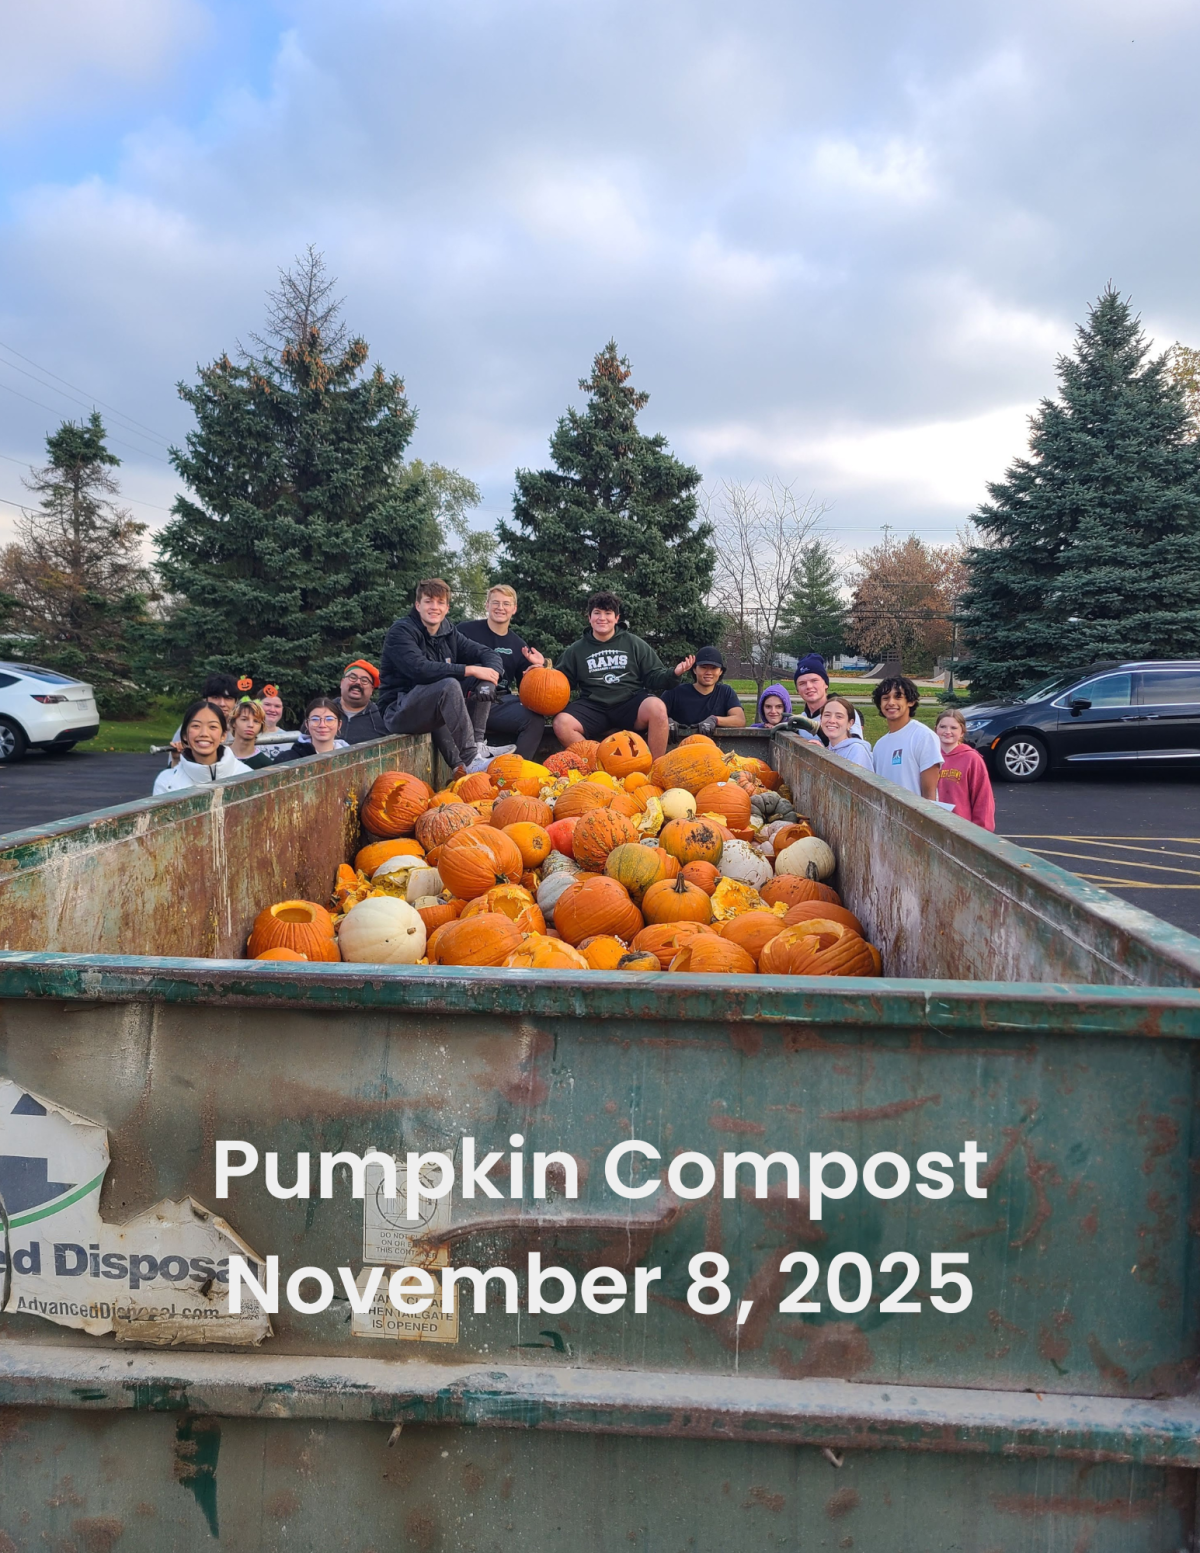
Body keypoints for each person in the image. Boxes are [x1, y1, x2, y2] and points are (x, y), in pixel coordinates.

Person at [377, 578, 515, 775]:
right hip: (398, 710)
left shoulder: (448, 632)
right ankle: (470, 758)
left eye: (440, 602)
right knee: (450, 683)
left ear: (447, 607)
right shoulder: (401, 631)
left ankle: (477, 746)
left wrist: (489, 681)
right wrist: (468, 670)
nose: (435, 607)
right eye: (428, 601)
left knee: (481, 676)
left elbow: (488, 653)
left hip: (430, 707)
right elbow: (420, 669)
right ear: (418, 605)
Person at [552, 592, 693, 759]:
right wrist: (542, 670)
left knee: (658, 708)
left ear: (616, 618)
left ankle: (654, 770)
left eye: (608, 613)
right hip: (593, 706)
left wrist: (673, 673)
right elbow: (558, 683)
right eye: (597, 613)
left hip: (629, 703)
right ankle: (598, 765)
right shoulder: (576, 650)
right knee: (562, 723)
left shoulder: (633, 643)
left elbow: (653, 676)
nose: (602, 618)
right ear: (589, 618)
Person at [457, 585, 547, 758]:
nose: (500, 608)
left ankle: (513, 770)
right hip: (469, 699)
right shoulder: (465, 631)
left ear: (514, 609)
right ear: (487, 605)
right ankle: (476, 748)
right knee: (484, 679)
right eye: (495, 603)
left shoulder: (518, 645)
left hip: (498, 704)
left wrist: (538, 670)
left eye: (506, 604)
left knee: (535, 720)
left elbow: (530, 691)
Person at [153, 701, 252, 794]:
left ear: (223, 736)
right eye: (196, 726)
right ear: (184, 735)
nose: (204, 733)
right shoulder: (166, 782)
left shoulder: (246, 776)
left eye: (212, 727)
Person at [871, 676, 943, 799]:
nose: (891, 703)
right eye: (885, 698)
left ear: (910, 701)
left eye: (898, 697)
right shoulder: (879, 745)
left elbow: (930, 795)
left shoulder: (923, 737)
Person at [662, 647, 746, 735]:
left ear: (720, 671)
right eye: (703, 667)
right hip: (678, 746)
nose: (708, 672)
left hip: (714, 747)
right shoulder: (675, 692)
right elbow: (655, 714)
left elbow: (740, 720)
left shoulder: (726, 692)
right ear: (694, 669)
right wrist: (665, 721)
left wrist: (715, 720)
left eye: (714, 668)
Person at [935, 708, 996, 830]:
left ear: (962, 732)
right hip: (933, 826)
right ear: (936, 729)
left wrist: (981, 830)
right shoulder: (928, 756)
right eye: (943, 727)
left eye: (953, 728)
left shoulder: (971, 759)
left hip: (961, 828)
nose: (947, 731)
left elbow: (983, 797)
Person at [794, 653, 864, 737]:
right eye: (802, 683)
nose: (809, 686)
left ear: (826, 684)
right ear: (797, 689)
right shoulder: (802, 720)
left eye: (814, 680)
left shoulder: (845, 713)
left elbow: (853, 746)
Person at [273, 697, 351, 763]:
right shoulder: (288, 759)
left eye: (329, 719)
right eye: (315, 719)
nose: (322, 725)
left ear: (339, 724)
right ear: (307, 724)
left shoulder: (350, 758)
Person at [336, 659, 389, 745]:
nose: (358, 682)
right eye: (352, 677)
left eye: (364, 680)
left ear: (371, 689)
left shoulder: (382, 718)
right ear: (342, 683)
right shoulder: (323, 712)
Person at [819, 696, 874, 770]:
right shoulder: (827, 749)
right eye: (827, 715)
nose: (831, 720)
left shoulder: (856, 750)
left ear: (850, 723)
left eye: (839, 716)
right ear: (821, 720)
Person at [228, 698, 278, 769]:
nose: (251, 725)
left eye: (256, 721)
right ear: (233, 723)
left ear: (261, 726)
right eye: (244, 719)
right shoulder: (219, 756)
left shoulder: (267, 764)